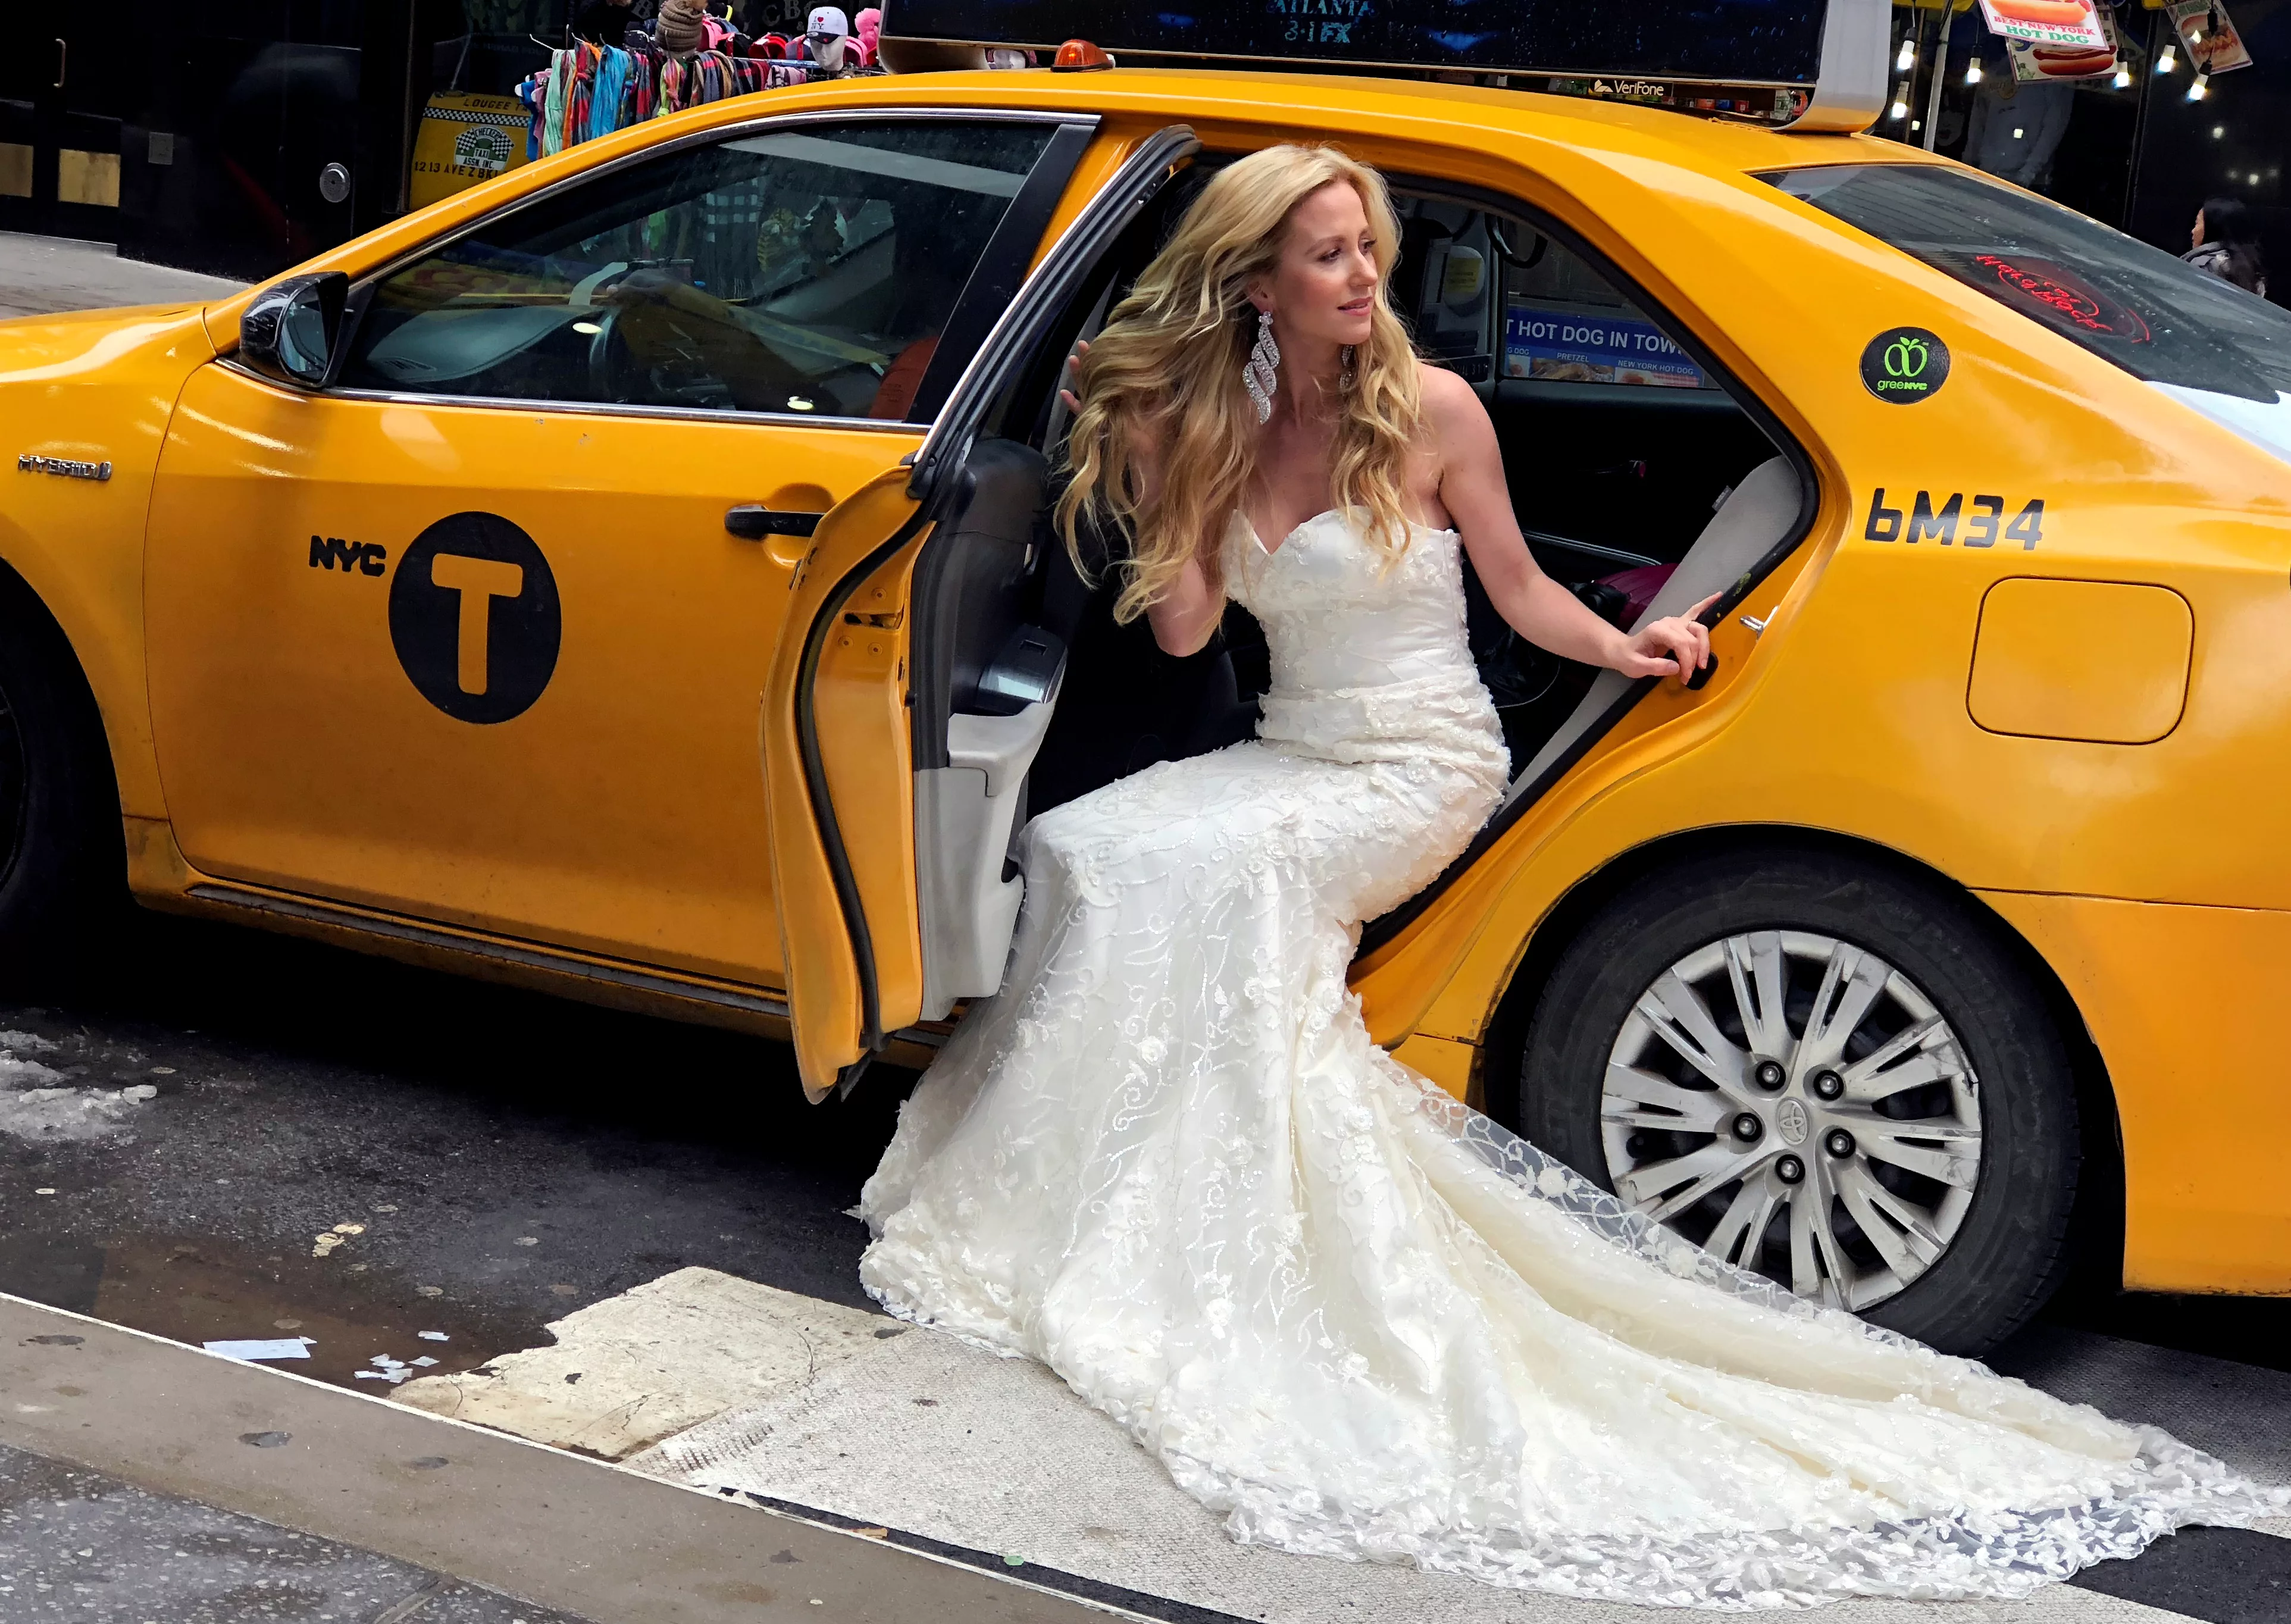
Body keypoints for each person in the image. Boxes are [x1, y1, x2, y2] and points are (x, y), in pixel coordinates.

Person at [855, 145, 2284, 1608]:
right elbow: (1181, 638)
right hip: (1291, 746)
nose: (1364, 276)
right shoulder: (1217, 423)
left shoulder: (1437, 411)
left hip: (1417, 762)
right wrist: (1154, 462)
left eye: (1365, 247)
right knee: (1092, 844)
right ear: (1256, 282)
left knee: (1205, 877)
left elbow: (1524, 590)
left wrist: (1635, 645)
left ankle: (1181, 1201)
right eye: (1331, 254)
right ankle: (1119, 1180)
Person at [2186, 197, 2269, 298]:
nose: (2193, 231)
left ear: (2213, 227)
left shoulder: (2204, 265)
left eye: (2197, 223)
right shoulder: (2250, 266)